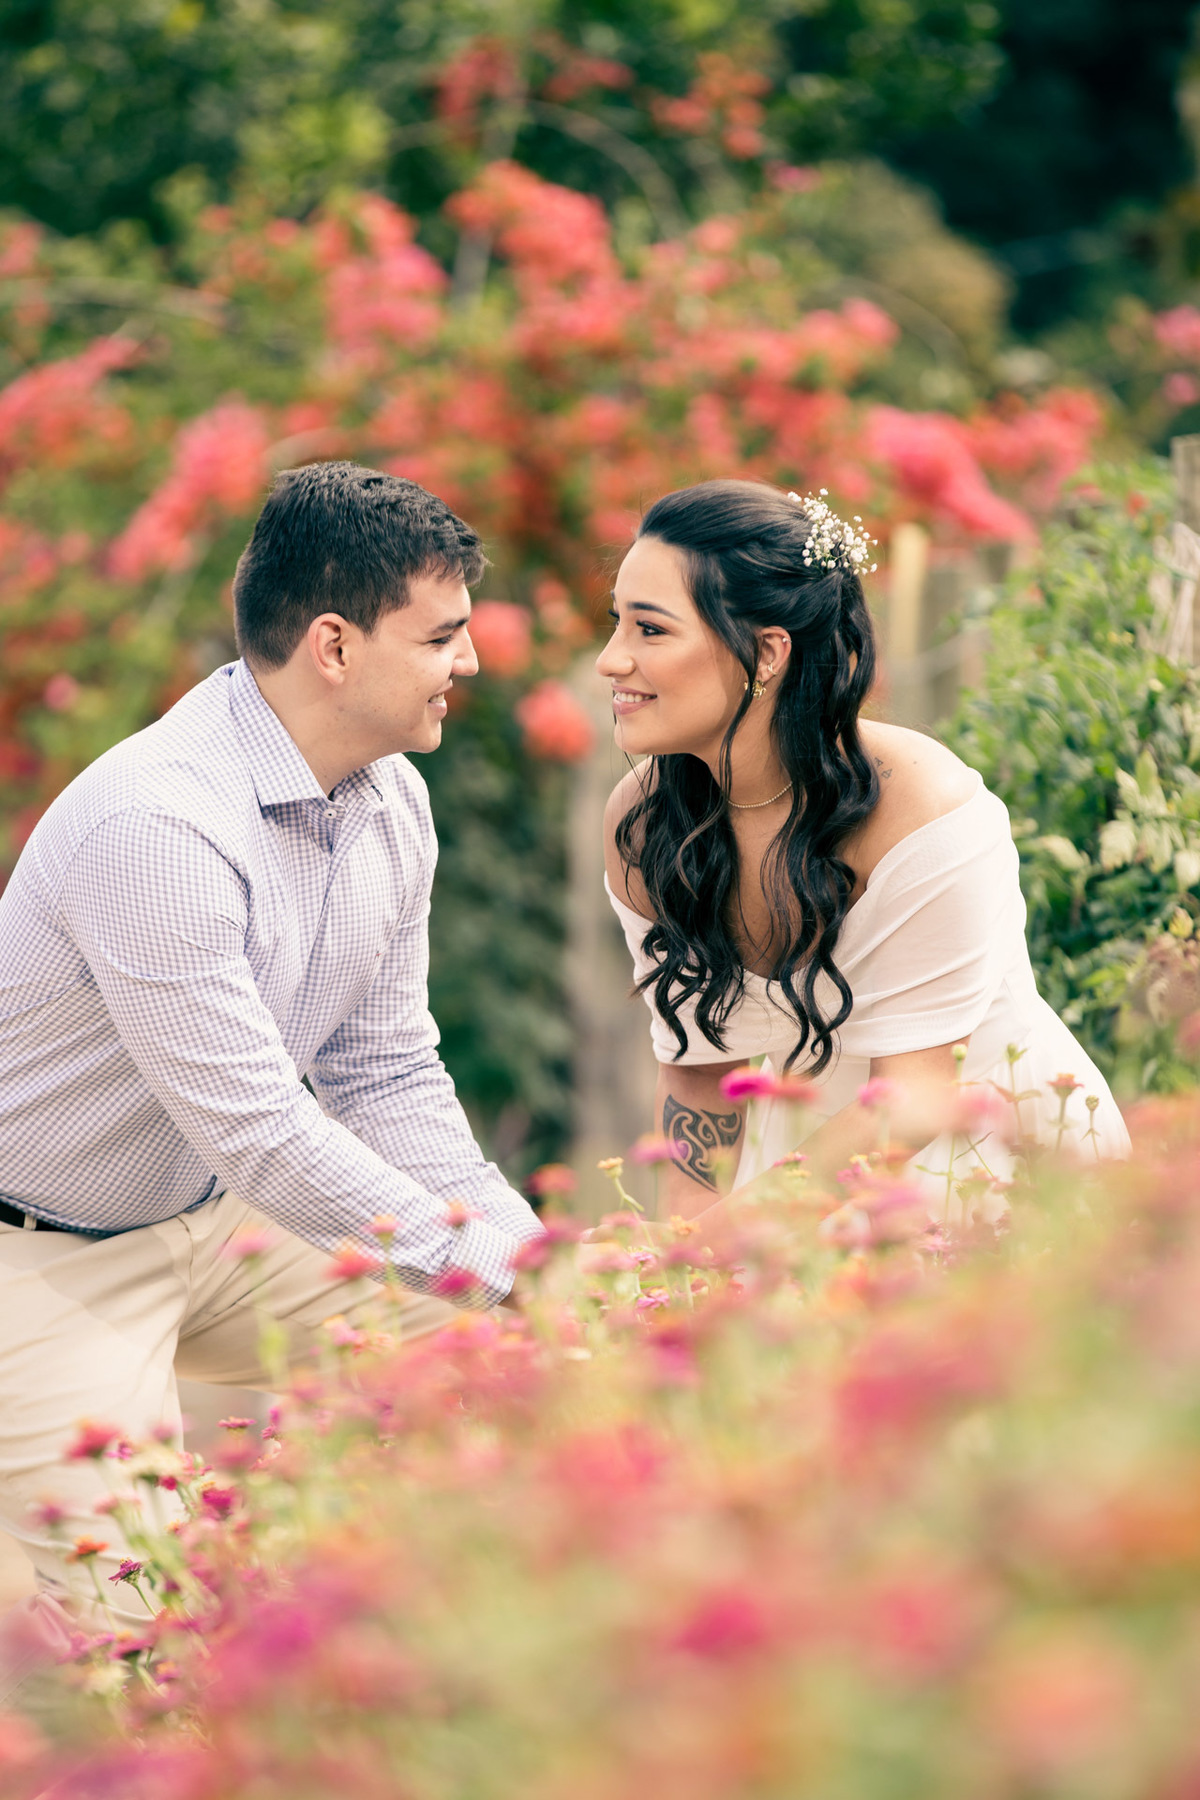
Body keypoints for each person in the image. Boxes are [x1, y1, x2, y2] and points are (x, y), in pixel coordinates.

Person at [0, 462, 543, 1633]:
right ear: (334, 647)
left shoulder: (389, 796)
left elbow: (383, 1070)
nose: (470, 661)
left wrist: (540, 1267)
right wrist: (499, 1269)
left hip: (214, 1218)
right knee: (136, 1630)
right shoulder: (159, 824)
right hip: (37, 1256)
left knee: (534, 1359)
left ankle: (432, 1647)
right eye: (441, 636)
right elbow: (263, 1133)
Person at [598, 478, 1129, 1219]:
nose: (610, 659)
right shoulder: (645, 824)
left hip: (989, 1161)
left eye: (650, 630)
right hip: (805, 1167)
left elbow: (912, 1099)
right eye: (617, 624)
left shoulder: (926, 810)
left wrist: (728, 1240)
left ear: (767, 652)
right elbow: (697, 1073)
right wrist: (683, 1258)